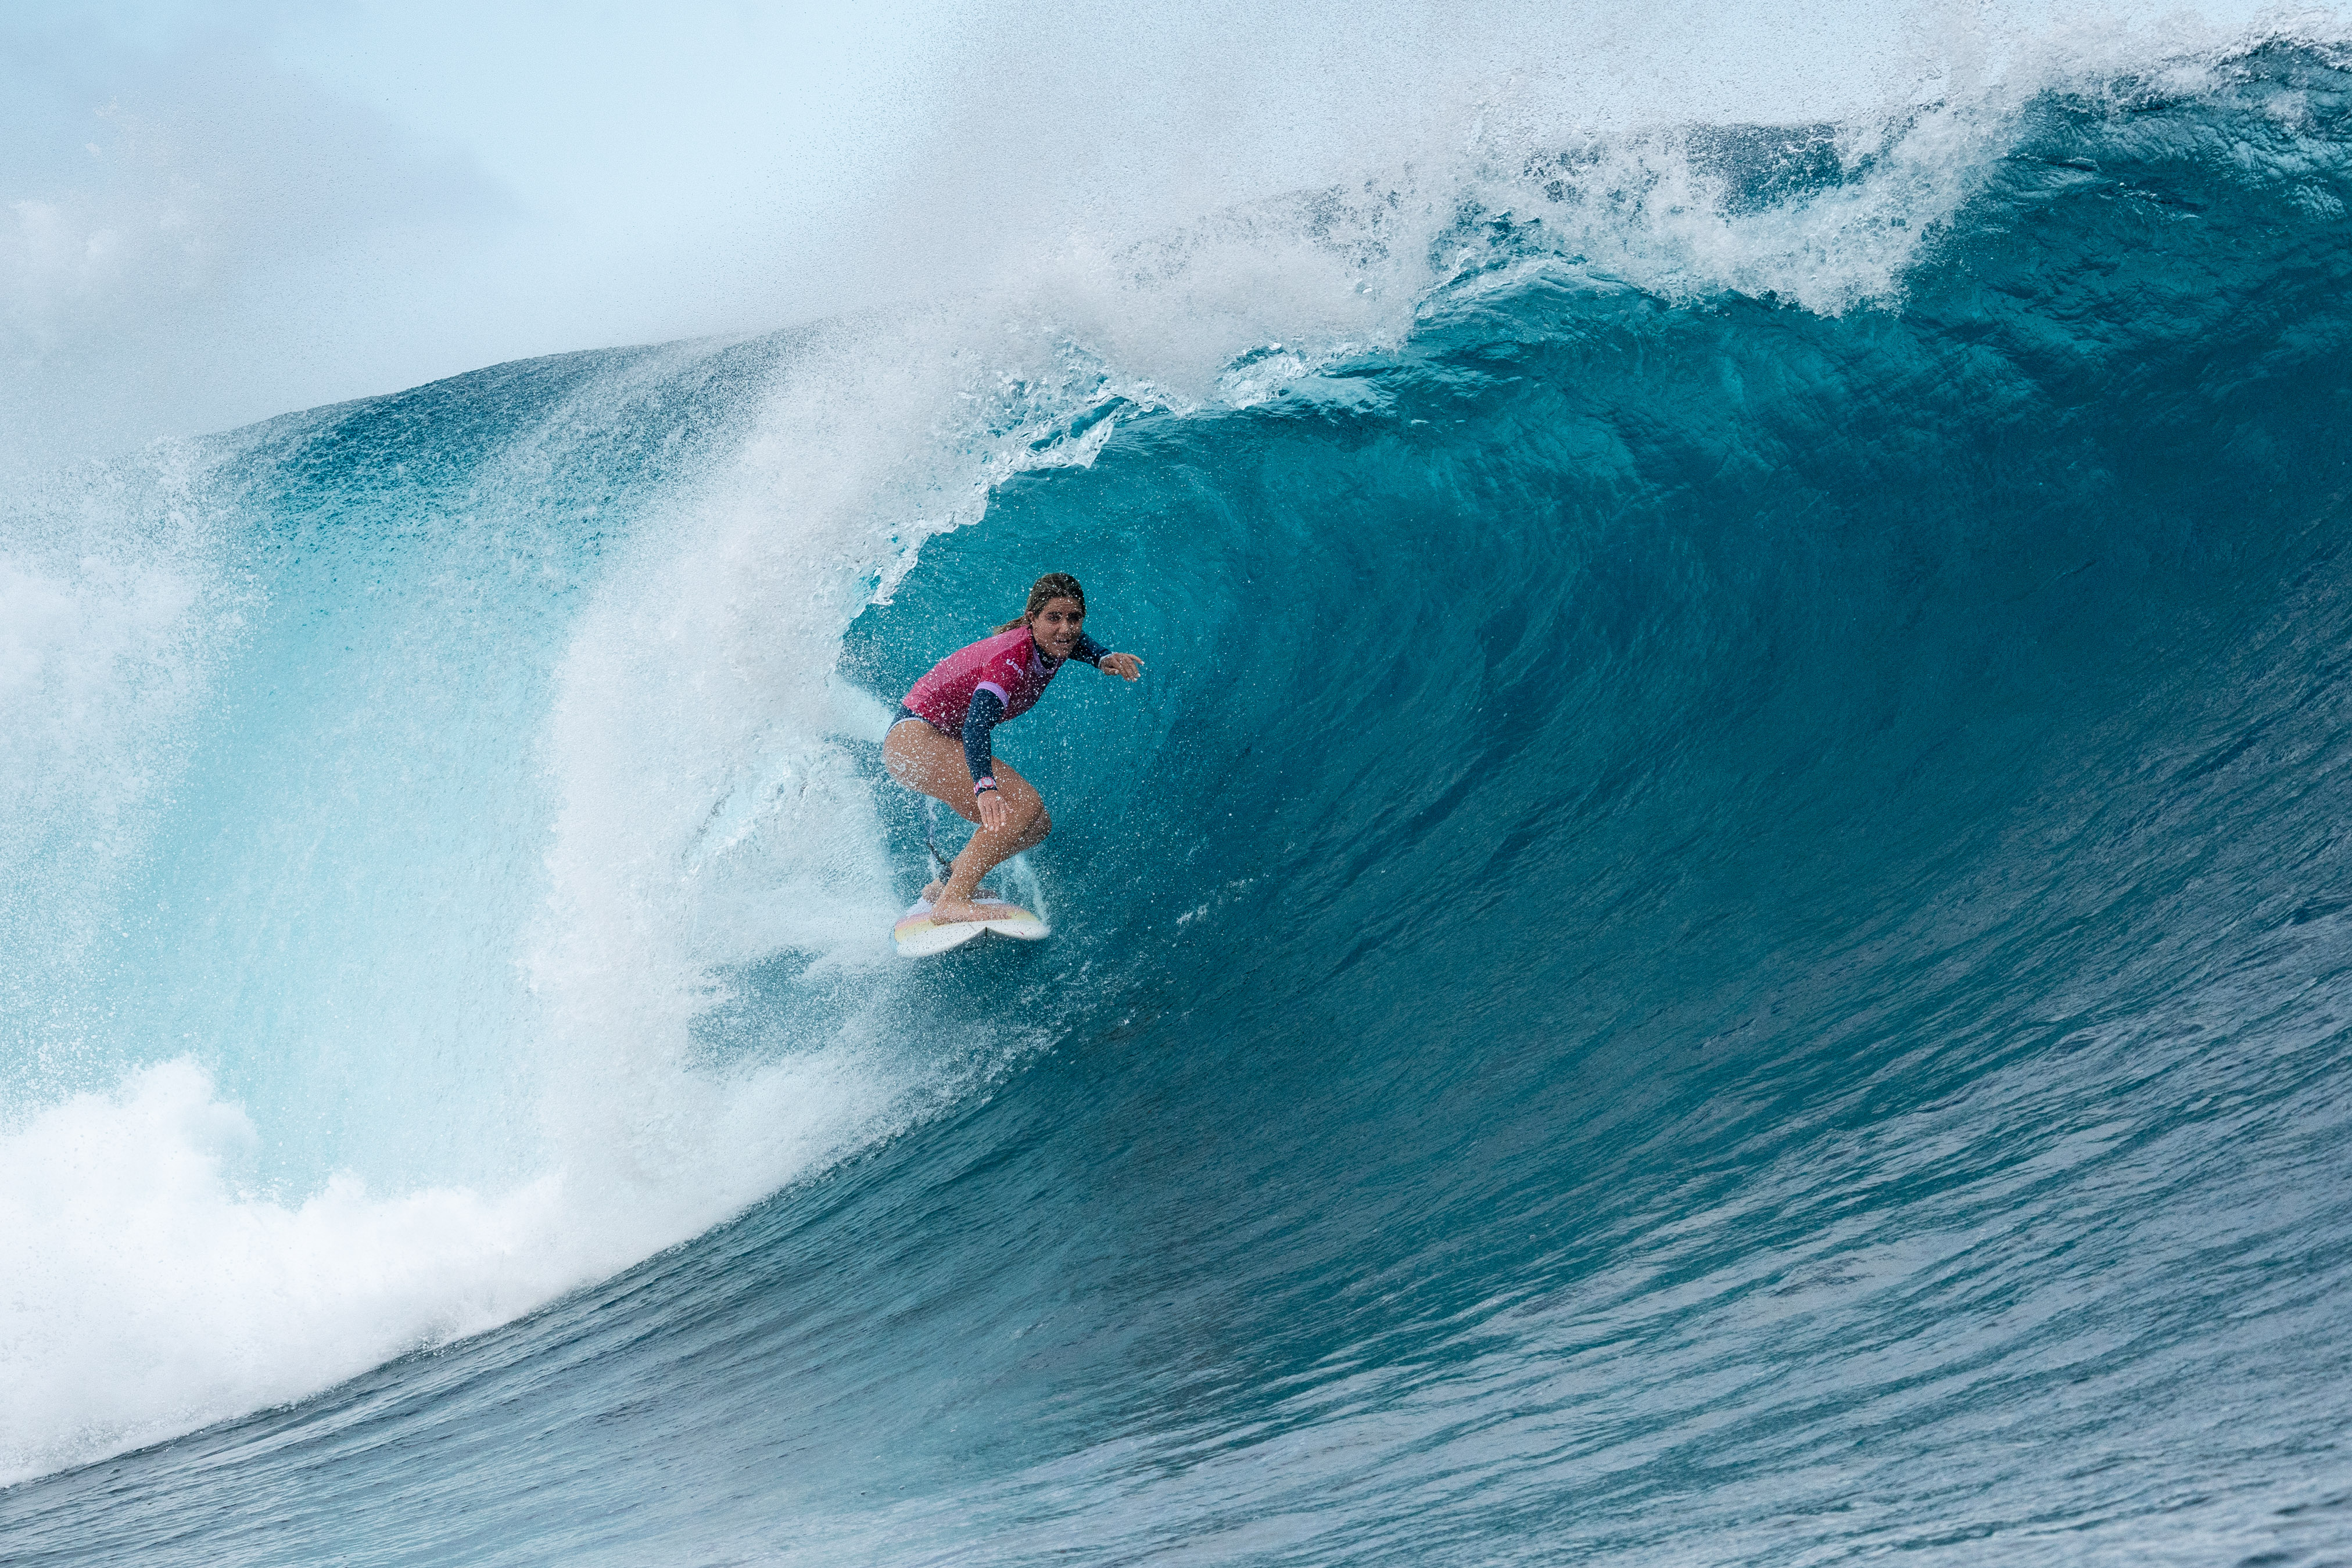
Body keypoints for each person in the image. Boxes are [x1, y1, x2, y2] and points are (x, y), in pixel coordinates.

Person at [884, 572, 1143, 924]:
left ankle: (944, 886)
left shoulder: (1051, 643)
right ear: (1032, 618)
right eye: (1054, 617)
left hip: (935, 739)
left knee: (1036, 824)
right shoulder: (1009, 662)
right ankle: (952, 903)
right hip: (914, 741)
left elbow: (1074, 643)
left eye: (1075, 618)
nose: (1065, 628)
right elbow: (977, 726)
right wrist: (985, 787)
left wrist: (1102, 657)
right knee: (1023, 805)